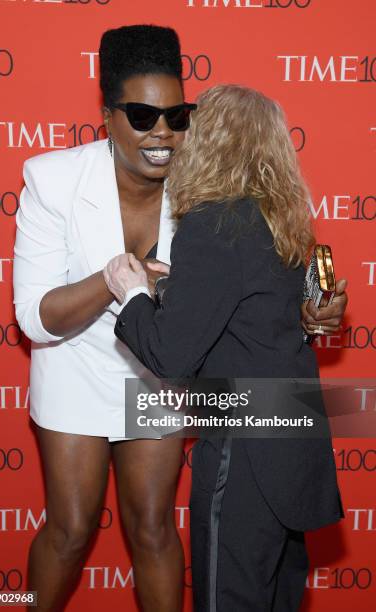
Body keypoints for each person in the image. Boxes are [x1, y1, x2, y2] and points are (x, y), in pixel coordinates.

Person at [104, 85, 345, 611]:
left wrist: (130, 296)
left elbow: (171, 356)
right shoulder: (283, 224)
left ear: (209, 141)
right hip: (292, 442)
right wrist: (170, 289)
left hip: (245, 450)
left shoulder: (211, 224)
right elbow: (253, 317)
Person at [13, 25, 194, 612]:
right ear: (108, 116)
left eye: (175, 114)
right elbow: (38, 319)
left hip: (154, 371)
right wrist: (121, 274)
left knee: (152, 528)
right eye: (142, 115)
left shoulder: (203, 186)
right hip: (73, 362)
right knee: (68, 531)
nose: (161, 132)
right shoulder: (53, 180)